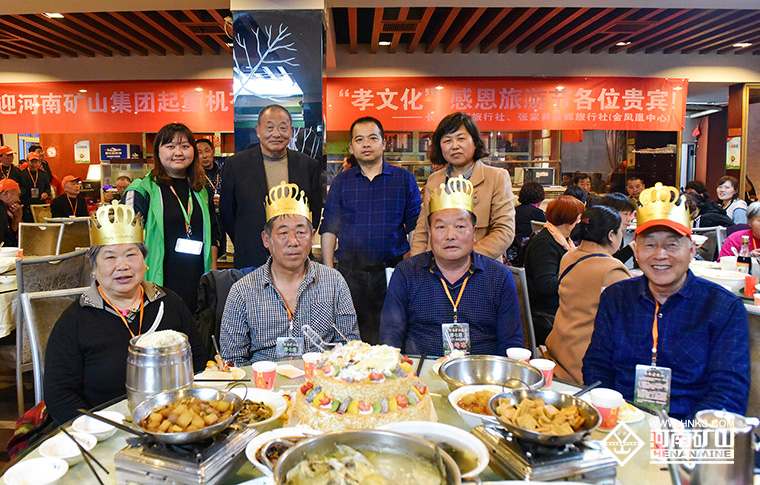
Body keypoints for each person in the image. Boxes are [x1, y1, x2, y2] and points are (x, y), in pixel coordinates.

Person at [583, 183, 749, 420]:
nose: (660, 255)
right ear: (636, 251)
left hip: (690, 430)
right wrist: (613, 418)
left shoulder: (723, 307)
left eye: (672, 244)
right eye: (650, 244)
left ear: (691, 249)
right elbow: (597, 367)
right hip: (622, 423)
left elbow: (729, 393)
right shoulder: (616, 297)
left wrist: (681, 433)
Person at [44, 202, 208, 424]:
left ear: (144, 261)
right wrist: (99, 427)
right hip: (106, 427)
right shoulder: (75, 321)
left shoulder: (169, 303)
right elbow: (59, 395)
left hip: (177, 421)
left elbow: (198, 362)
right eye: (110, 257)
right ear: (93, 268)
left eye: (131, 255)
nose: (123, 266)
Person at [380, 176, 524, 356]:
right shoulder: (407, 272)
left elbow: (511, 343)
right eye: (440, 227)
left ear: (474, 232)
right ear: (430, 233)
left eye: (460, 226)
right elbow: (390, 337)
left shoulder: (499, 277)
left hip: (482, 370)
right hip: (422, 369)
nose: (450, 235)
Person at [220, 181, 360, 364]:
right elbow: (231, 361)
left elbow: (350, 348)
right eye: (283, 233)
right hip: (262, 379)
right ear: (266, 239)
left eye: (301, 232)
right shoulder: (242, 291)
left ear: (312, 237)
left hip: (320, 377)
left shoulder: (334, 282)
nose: (293, 242)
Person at [320, 117, 421, 344]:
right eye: (359, 139)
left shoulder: (404, 180)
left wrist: (415, 268)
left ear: (384, 143)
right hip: (349, 275)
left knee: (392, 334)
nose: (366, 144)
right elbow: (329, 228)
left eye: (373, 138)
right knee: (352, 337)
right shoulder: (341, 182)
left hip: (392, 272)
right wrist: (329, 273)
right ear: (351, 147)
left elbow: (416, 226)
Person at [123, 123, 219, 312]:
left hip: (197, 283)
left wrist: (212, 279)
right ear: (158, 152)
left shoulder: (201, 191)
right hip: (156, 284)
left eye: (185, 146)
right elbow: (126, 243)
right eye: (170, 146)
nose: (178, 152)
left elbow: (214, 234)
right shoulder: (142, 191)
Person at [220, 105, 323, 270]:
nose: (276, 134)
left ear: (291, 131)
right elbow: (227, 214)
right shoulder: (236, 165)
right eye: (269, 128)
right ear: (258, 130)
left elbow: (314, 211)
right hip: (251, 257)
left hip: (295, 256)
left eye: (283, 128)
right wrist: (246, 242)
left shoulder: (308, 165)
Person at [411, 112, 515, 260]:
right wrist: (417, 265)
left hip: (479, 265)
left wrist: (464, 261)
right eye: (447, 140)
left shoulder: (497, 177)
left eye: (461, 138)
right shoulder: (434, 180)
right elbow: (422, 231)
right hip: (435, 267)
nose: (455, 146)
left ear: (474, 142)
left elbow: (504, 231)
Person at [545, 206, 631, 384]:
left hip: (558, 350)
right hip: (584, 364)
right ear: (611, 235)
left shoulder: (569, 256)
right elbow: (629, 318)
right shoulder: (611, 270)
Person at [523, 195, 585, 344]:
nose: (580, 223)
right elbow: (547, 285)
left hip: (558, 306)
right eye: (578, 219)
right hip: (546, 313)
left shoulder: (564, 240)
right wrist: (577, 276)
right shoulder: (545, 243)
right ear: (568, 219)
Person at [197, 138, 226, 253]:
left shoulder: (224, 172)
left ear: (213, 151)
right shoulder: (195, 177)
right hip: (206, 221)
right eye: (199, 153)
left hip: (224, 220)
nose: (204, 156)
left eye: (207, 151)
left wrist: (223, 201)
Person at [507, 182, 545, 266]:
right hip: (527, 254)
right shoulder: (538, 213)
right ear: (541, 197)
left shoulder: (514, 210)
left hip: (511, 253)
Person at [597, 192, 637, 265]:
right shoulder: (601, 234)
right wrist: (632, 246)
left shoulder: (619, 232)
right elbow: (608, 263)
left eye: (630, 214)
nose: (630, 219)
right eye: (626, 214)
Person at [19, 152, 50, 223]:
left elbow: (47, 188)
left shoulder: (43, 174)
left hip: (40, 205)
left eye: (36, 162)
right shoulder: (21, 174)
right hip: (26, 205)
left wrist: (46, 193)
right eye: (32, 162)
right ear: (27, 162)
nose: (34, 164)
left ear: (39, 163)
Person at [0, 179, 22, 247]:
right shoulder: (2, 210)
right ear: (6, 194)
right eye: (18, 195)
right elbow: (8, 243)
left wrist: (16, 219)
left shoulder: (5, 209)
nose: (18, 200)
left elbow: (9, 236)